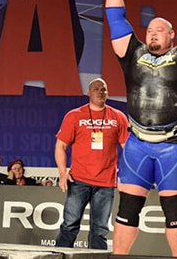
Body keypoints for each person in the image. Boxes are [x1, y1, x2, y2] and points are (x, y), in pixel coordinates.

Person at [105, 0, 177, 257]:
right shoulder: (132, 53)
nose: (152, 33)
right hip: (137, 145)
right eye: (149, 30)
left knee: (175, 213)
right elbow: (116, 18)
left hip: (172, 147)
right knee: (127, 211)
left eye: (159, 30)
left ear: (172, 35)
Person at [54, 77, 129, 250]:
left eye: (104, 89)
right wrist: (62, 173)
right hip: (78, 180)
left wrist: (128, 175)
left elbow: (128, 149)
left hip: (106, 183)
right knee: (70, 225)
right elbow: (61, 145)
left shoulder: (118, 117)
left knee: (100, 230)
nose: (100, 92)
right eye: (96, 89)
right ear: (88, 92)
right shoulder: (74, 116)